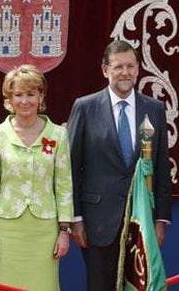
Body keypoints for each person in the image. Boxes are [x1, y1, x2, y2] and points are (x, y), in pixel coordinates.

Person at [67, 40, 171, 290]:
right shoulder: (85, 107)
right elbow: (71, 167)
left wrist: (160, 221)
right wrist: (76, 219)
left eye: (130, 66)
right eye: (118, 67)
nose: (125, 72)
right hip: (98, 223)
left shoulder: (154, 109)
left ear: (137, 69)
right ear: (105, 70)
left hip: (142, 221)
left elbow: (161, 168)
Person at [0, 64, 73, 291]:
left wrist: (64, 231)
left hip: (45, 231)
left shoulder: (58, 135)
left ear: (41, 96)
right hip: (6, 231)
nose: (25, 101)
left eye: (31, 94)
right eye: (18, 95)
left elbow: (64, 185)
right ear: (9, 99)